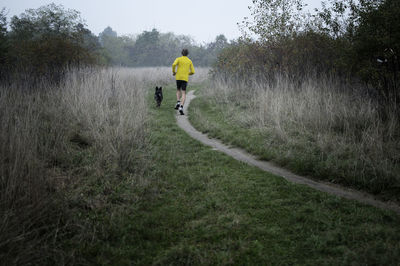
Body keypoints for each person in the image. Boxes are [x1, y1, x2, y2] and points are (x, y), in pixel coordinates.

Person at [172, 48, 195, 115]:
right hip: (185, 78)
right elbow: (193, 72)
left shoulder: (178, 59)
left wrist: (174, 72)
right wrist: (187, 73)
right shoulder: (189, 61)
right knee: (184, 93)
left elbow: (173, 65)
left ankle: (178, 102)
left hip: (178, 77)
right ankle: (181, 107)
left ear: (181, 53)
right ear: (187, 54)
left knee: (178, 90)